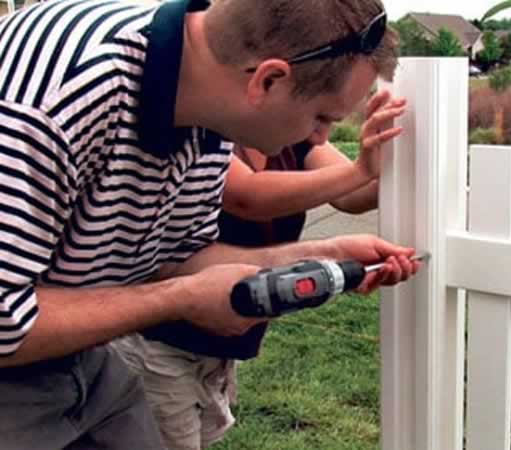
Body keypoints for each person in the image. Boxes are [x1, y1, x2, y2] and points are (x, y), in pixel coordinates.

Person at [0, 0, 417, 448]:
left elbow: (180, 257)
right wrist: (179, 300)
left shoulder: (208, 106)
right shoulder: (56, 99)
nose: (319, 137)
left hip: (75, 351)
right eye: (321, 117)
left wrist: (320, 255)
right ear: (269, 79)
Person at [112, 90, 405, 450]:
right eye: (321, 116)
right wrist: (361, 169)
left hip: (218, 340)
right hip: (160, 337)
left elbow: (351, 195)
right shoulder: (209, 126)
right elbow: (248, 195)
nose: (322, 134)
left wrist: (396, 157)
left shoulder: (294, 132)